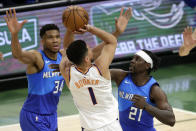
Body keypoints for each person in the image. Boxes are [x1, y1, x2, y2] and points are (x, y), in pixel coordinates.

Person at [56, 7, 132, 131]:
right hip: (111, 125)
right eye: (89, 48)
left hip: (89, 127)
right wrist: (90, 28)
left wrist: (70, 29)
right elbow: (111, 42)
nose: (92, 49)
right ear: (87, 58)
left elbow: (67, 49)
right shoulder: (100, 68)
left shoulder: (67, 72)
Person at [4, 8, 75, 131]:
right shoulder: (37, 57)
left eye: (57, 37)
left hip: (52, 115)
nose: (55, 40)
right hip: (33, 116)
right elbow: (18, 54)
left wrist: (71, 27)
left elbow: (71, 47)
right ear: (42, 41)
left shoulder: (62, 56)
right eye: (50, 37)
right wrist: (14, 34)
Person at [110, 49, 176, 131]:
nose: (132, 61)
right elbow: (98, 73)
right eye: (133, 58)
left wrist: (146, 106)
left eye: (137, 59)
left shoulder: (154, 90)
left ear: (147, 65)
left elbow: (171, 120)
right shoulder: (121, 76)